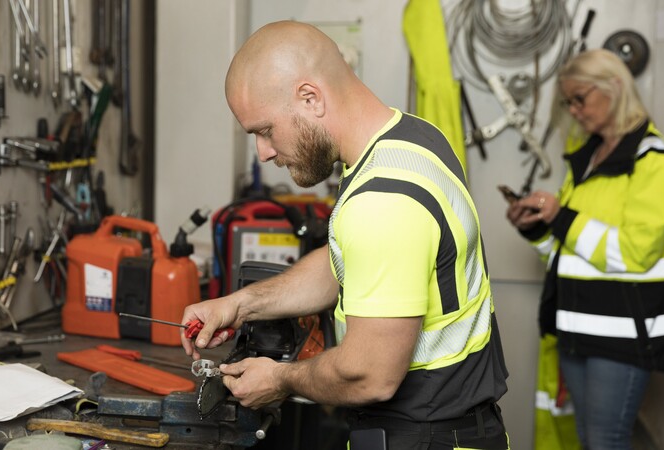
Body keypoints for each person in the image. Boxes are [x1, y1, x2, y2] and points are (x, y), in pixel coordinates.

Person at [181, 20, 509, 449]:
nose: (263, 152)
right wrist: (241, 305)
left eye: (265, 130)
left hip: (426, 437)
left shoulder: (383, 202)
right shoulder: (411, 139)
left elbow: (369, 374)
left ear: (310, 98)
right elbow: (351, 262)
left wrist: (277, 379)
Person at [505, 48, 664, 450]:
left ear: (615, 88)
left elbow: (636, 253)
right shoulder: (587, 160)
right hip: (576, 327)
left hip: (621, 334)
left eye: (579, 98)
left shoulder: (653, 161)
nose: (574, 109)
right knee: (588, 439)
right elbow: (569, 255)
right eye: (568, 101)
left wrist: (561, 215)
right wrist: (536, 229)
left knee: (605, 441)